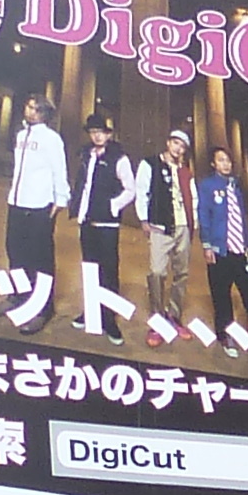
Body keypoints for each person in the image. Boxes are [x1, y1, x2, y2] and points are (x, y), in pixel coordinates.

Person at [195, 147, 248, 360]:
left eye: (228, 160)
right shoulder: (207, 186)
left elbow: (241, 220)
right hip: (219, 250)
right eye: (221, 160)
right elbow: (203, 214)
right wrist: (206, 245)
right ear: (214, 164)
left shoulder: (236, 188)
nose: (226, 164)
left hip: (240, 251)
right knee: (221, 296)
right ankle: (225, 336)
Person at [69, 110, 142, 339]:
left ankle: (109, 319)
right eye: (93, 132)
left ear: (108, 134)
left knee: (108, 271)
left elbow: (131, 190)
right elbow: (83, 185)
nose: (97, 137)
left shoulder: (119, 158)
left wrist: (112, 206)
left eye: (101, 132)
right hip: (87, 221)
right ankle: (91, 312)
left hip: (107, 226)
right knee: (90, 269)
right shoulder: (86, 155)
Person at [3, 93, 69, 327]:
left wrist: (60, 199)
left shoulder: (52, 139)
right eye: (29, 107)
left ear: (45, 114)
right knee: (15, 252)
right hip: (17, 203)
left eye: (36, 109)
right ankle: (19, 296)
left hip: (40, 206)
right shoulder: (21, 135)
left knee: (40, 259)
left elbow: (58, 170)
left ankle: (43, 308)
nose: (31, 112)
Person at [148, 122, 201, 329]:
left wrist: (192, 224)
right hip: (161, 225)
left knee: (182, 272)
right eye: (175, 143)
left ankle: (174, 314)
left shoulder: (186, 172)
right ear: (168, 143)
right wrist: (145, 220)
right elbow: (143, 192)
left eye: (182, 146)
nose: (178, 149)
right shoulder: (152, 163)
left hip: (183, 227)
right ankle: (157, 315)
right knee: (157, 271)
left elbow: (193, 199)